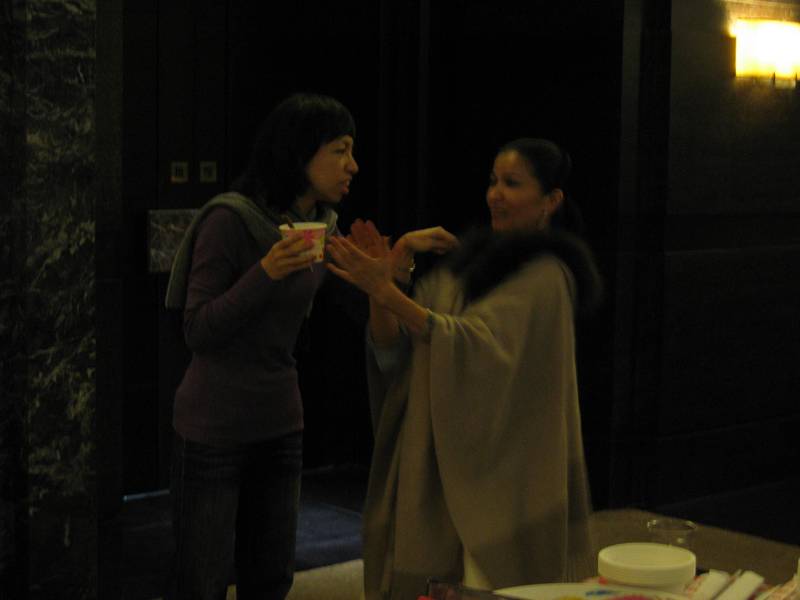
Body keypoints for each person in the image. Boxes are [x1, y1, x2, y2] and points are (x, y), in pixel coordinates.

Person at [326, 138, 603, 600]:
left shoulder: (548, 275)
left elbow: (477, 347)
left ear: (551, 199)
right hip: (442, 463)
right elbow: (399, 350)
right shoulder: (462, 269)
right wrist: (389, 276)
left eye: (512, 183)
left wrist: (386, 290)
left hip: (506, 476)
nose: (496, 194)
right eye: (493, 181)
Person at [163, 92, 359, 600]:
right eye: (340, 150)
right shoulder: (230, 219)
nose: (352, 165)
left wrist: (398, 265)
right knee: (201, 581)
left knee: (271, 579)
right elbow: (198, 330)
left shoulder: (323, 228)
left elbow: (360, 302)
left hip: (280, 423)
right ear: (299, 153)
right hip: (213, 428)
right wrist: (266, 272)